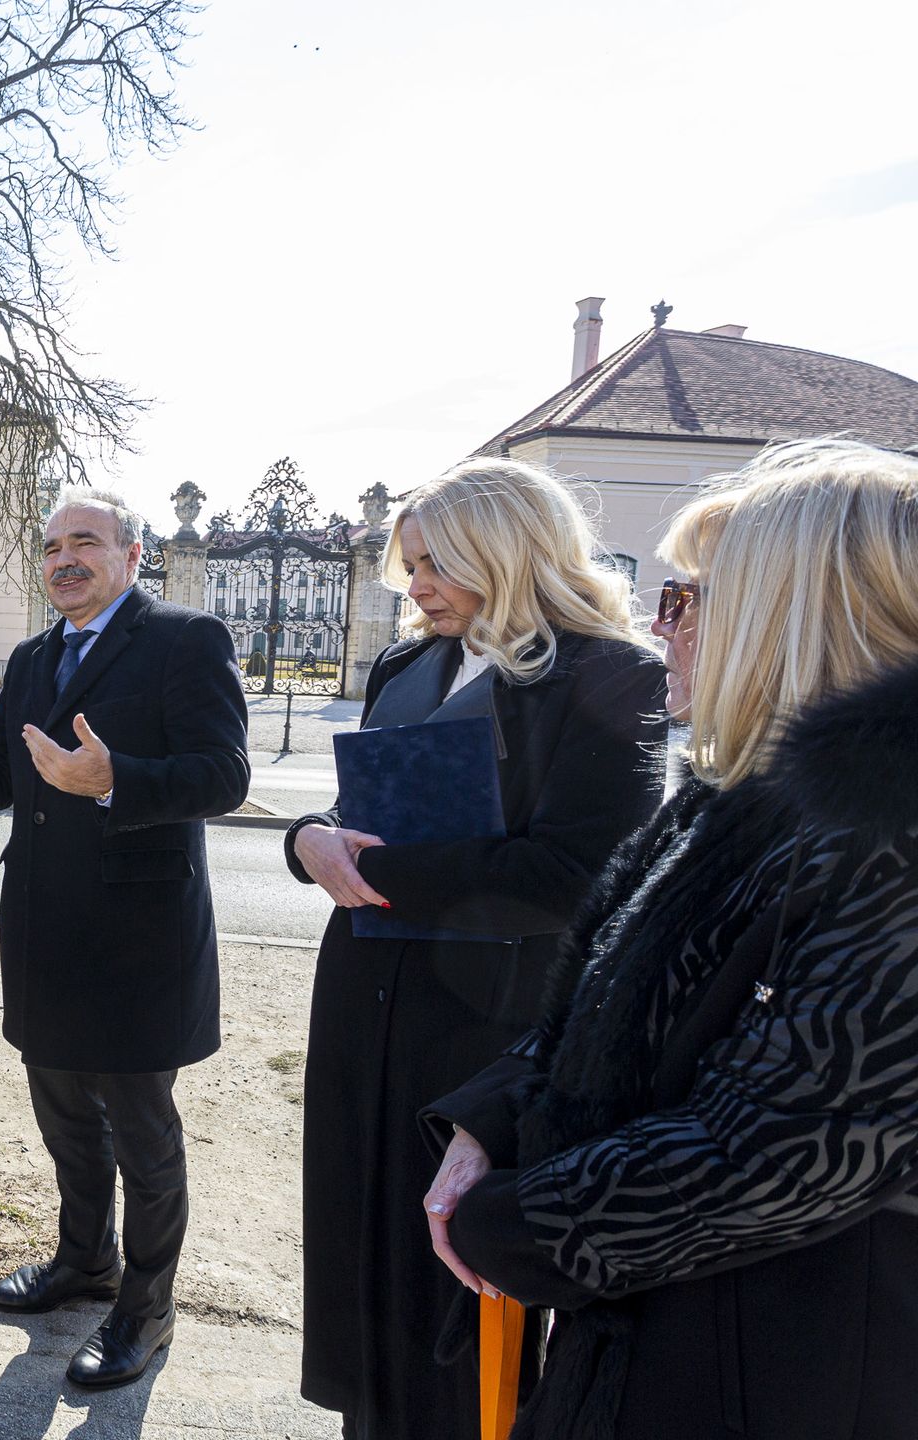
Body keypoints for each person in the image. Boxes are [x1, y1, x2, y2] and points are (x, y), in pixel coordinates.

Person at [422, 439, 918, 1439]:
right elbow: (598, 1006)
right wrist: (492, 1124)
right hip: (651, 1331)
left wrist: (522, 1224)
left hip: (783, 1362)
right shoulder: (733, 802)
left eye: (687, 599)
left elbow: (784, 1148)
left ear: (792, 615)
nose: (661, 626)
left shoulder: (891, 837)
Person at [285, 457, 668, 1440]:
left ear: (506, 551)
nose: (413, 586)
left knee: (457, 1285)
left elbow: (584, 875)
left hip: (489, 1030)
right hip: (363, 1000)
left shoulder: (614, 676)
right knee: (359, 1248)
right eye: (408, 565)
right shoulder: (405, 667)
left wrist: (388, 869)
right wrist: (306, 843)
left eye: (432, 564)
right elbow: (362, 812)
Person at [0, 486, 250, 1389]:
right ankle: (84, 1261)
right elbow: (16, 777)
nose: (65, 557)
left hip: (141, 940)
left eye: (87, 542)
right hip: (44, 929)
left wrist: (116, 780)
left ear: (132, 556)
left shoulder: (185, 640)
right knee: (64, 1116)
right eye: (55, 543)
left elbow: (225, 774)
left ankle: (147, 1307)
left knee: (143, 1134)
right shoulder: (32, 656)